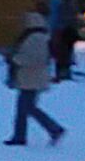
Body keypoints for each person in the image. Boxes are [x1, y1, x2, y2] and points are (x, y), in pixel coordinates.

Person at [6, 11, 66, 146]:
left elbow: (34, 58)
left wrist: (15, 59)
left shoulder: (35, 38)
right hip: (31, 77)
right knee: (25, 108)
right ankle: (20, 136)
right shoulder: (40, 37)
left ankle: (54, 129)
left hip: (31, 78)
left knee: (27, 107)